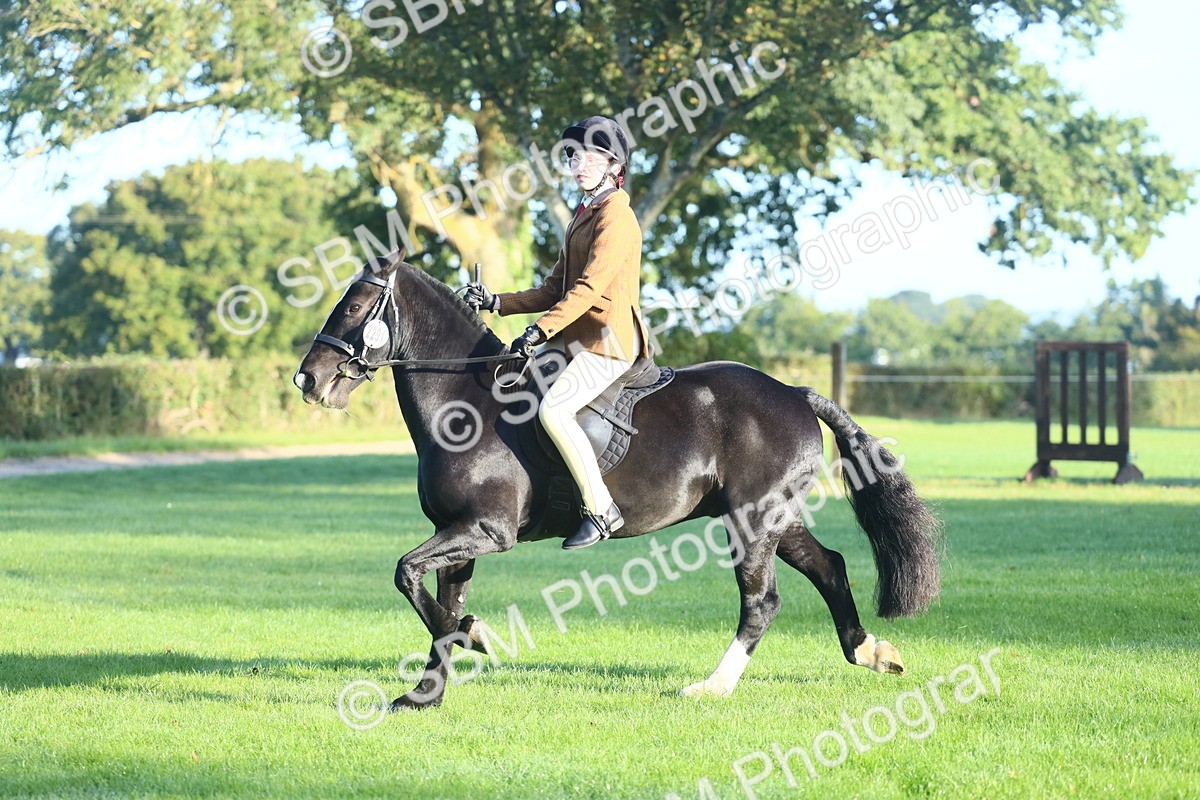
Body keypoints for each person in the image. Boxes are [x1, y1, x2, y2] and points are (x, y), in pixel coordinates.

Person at [465, 115, 652, 550]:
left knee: (554, 411)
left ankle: (601, 509)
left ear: (611, 162)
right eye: (571, 155)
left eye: (586, 155)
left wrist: (537, 331)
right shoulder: (584, 214)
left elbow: (589, 289)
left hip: (609, 343)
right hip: (574, 342)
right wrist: (495, 302)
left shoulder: (617, 217)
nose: (576, 163)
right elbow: (554, 288)